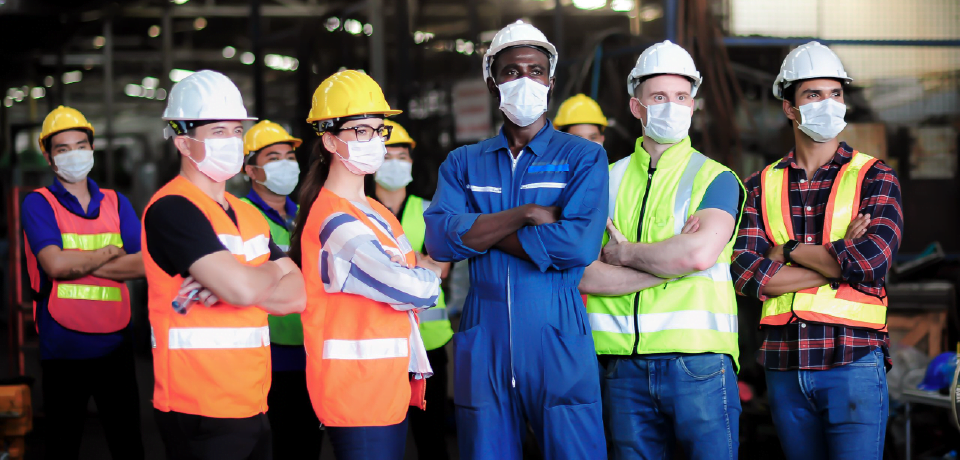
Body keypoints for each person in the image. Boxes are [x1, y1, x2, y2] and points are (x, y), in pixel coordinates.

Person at [424, 22, 609, 460]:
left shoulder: (583, 156)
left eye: (535, 70)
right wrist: (523, 216)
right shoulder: (463, 162)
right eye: (511, 71)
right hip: (482, 332)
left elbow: (579, 245)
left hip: (556, 329)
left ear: (550, 80)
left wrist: (479, 231)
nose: (524, 80)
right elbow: (439, 241)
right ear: (493, 82)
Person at [731, 41, 902, 460]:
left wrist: (785, 249)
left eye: (836, 94)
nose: (829, 104)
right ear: (790, 107)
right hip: (784, 364)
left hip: (854, 360)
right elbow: (745, 274)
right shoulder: (759, 184)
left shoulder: (874, 176)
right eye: (813, 95)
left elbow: (871, 262)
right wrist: (836, 259)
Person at [579, 40, 744, 460]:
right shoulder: (605, 180)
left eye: (681, 97)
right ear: (637, 107)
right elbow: (584, 274)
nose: (672, 106)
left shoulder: (716, 178)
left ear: (694, 105)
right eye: (659, 97)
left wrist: (625, 253)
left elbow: (698, 255)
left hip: (699, 363)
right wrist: (669, 261)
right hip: (621, 365)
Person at [143, 70, 306, 460]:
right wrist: (266, 274)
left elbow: (298, 295)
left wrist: (245, 278)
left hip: (253, 399)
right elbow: (244, 290)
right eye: (218, 132)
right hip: (197, 407)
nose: (232, 141)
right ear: (183, 141)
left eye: (236, 131)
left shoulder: (247, 214)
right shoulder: (172, 209)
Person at [290, 70, 442, 460]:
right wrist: (424, 276)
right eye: (360, 130)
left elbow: (414, 279)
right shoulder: (333, 219)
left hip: (384, 385)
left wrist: (420, 276)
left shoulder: (375, 211)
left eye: (379, 130)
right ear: (328, 139)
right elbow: (416, 288)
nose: (374, 140)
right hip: (356, 392)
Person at [21, 105, 145, 460]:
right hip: (63, 347)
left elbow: (142, 265)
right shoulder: (38, 204)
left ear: (92, 149)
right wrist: (109, 252)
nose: (74, 154)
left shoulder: (117, 202)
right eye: (63, 149)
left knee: (129, 445)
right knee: (64, 445)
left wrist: (81, 263)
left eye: (81, 145)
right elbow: (54, 265)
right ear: (48, 156)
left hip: (116, 341)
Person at [372, 119, 454, 460]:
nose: (395, 162)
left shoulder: (429, 211)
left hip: (429, 343)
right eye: (387, 155)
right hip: (377, 343)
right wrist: (417, 261)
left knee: (431, 437)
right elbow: (427, 265)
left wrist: (386, 265)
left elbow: (441, 270)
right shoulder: (357, 211)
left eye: (401, 155)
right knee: (380, 439)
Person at [241, 120, 322, 459]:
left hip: (312, 348)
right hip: (269, 353)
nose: (286, 164)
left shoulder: (307, 213)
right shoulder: (241, 216)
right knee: (277, 445)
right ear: (251, 170)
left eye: (289, 156)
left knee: (308, 446)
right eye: (273, 158)